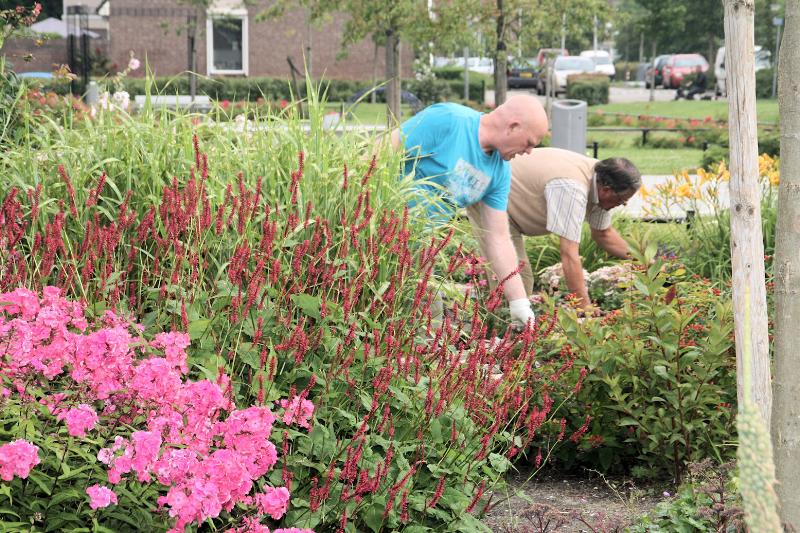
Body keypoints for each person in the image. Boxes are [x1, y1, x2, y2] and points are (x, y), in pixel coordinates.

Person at [391, 95, 549, 328]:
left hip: (422, 253)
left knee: (427, 326)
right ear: (513, 126)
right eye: (528, 143)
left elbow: (498, 238)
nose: (528, 152)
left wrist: (519, 302)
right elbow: (379, 153)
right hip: (382, 238)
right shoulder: (448, 120)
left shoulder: (499, 171)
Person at [467, 147, 641, 314]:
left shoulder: (601, 179)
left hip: (509, 199)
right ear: (606, 190)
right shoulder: (572, 188)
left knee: (509, 277)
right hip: (490, 195)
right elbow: (569, 254)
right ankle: (505, 336)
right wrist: (584, 306)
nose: (622, 204)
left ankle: (493, 324)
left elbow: (604, 234)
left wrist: (644, 260)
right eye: (621, 200)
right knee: (516, 277)